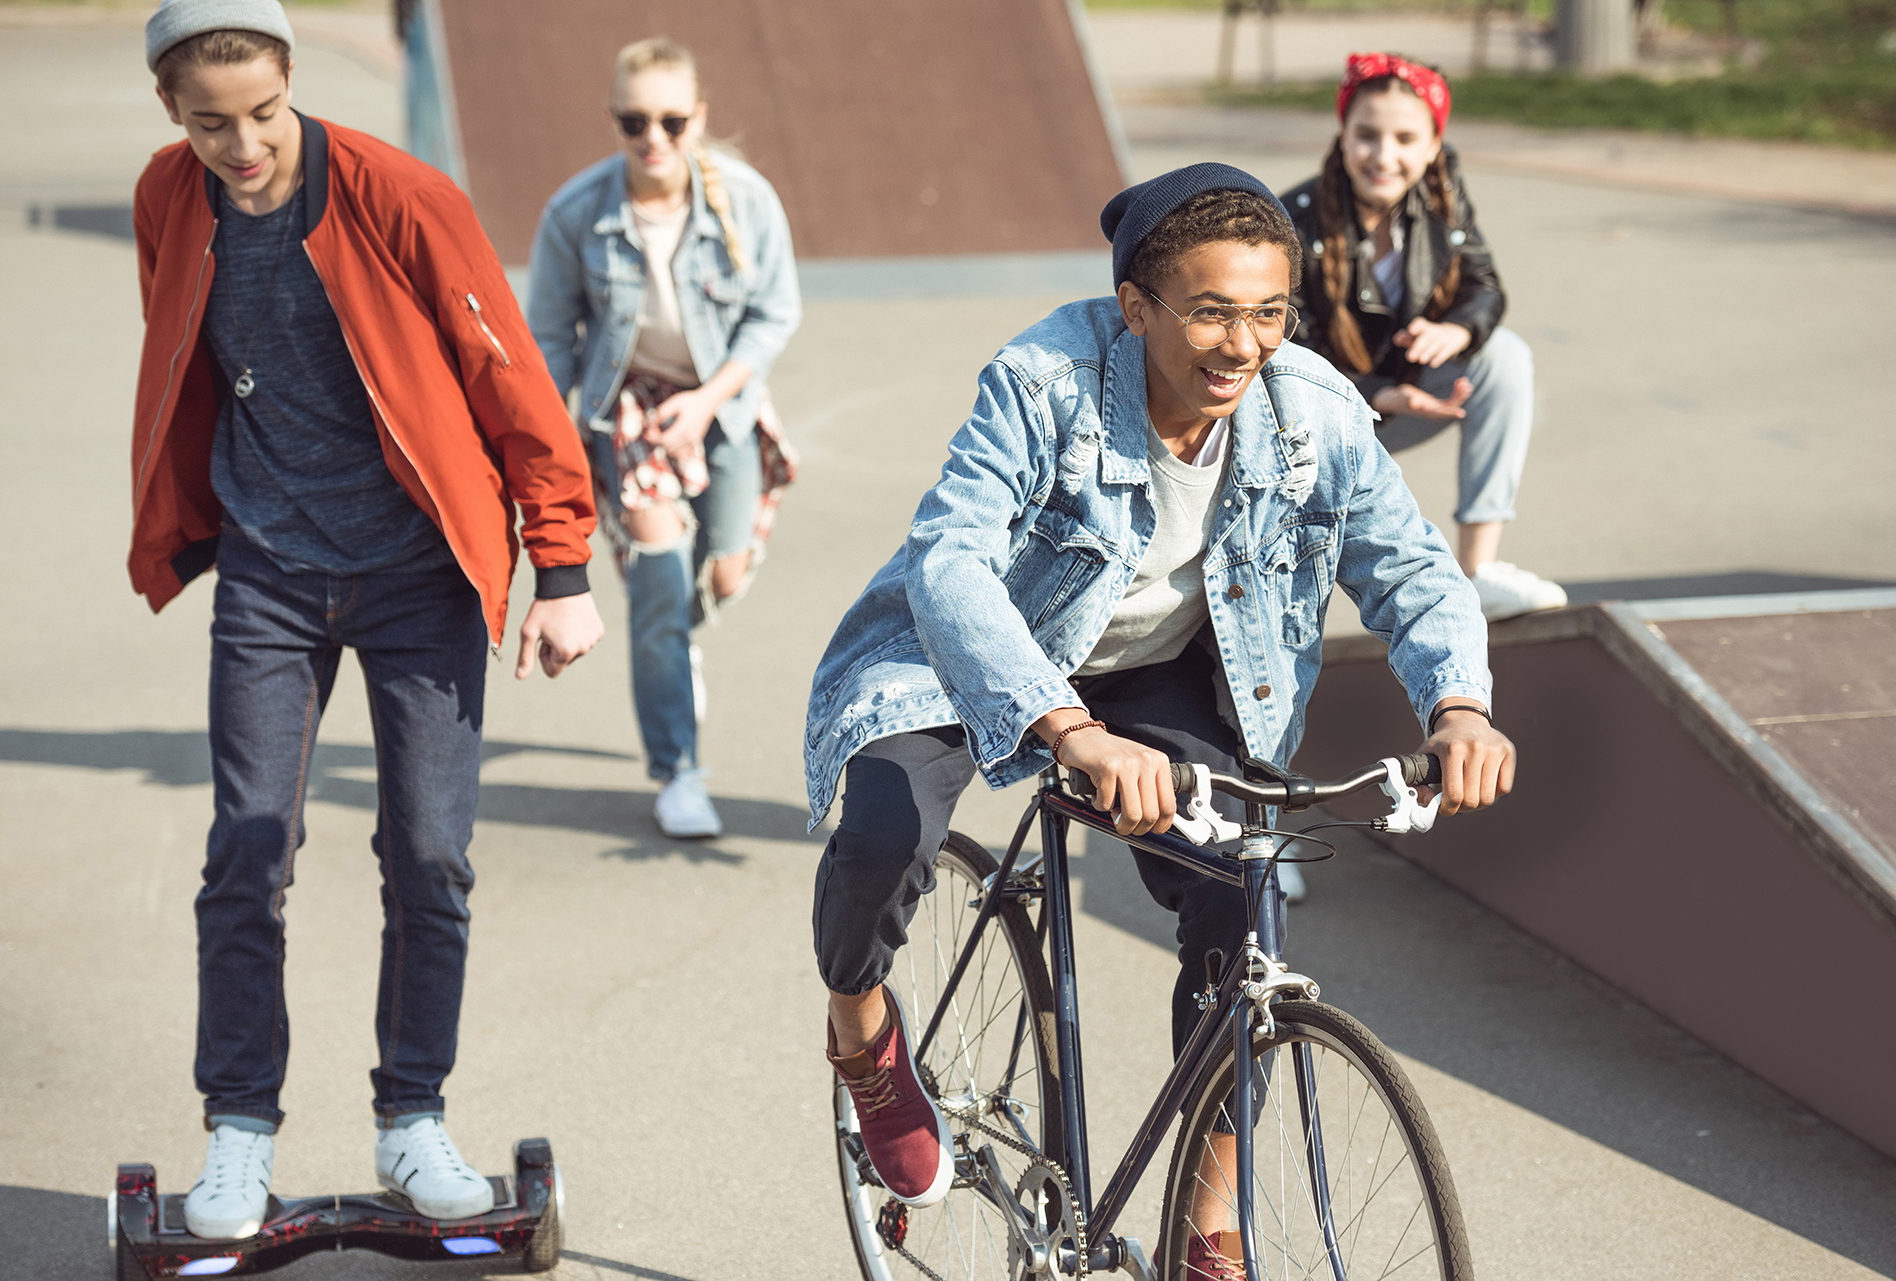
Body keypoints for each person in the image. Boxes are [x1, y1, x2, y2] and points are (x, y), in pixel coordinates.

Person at [802, 163, 1515, 1269]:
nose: (1244, 343)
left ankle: (1207, 1219)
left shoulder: (1312, 410)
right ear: (1137, 307)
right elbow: (951, 561)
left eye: (1270, 312)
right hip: (967, 652)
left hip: (1149, 670)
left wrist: (1459, 705)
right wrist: (1066, 729)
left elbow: (1413, 569)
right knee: (888, 829)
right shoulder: (1045, 380)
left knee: (1243, 901)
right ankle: (860, 1034)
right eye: (1213, 311)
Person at [131, 0, 604, 1240]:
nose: (244, 148)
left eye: (265, 115)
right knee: (248, 843)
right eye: (211, 125)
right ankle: (238, 1131)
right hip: (271, 569)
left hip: (418, 572)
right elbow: (186, 350)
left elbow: (510, 374)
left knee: (431, 854)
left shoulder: (402, 197)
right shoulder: (168, 198)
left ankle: (413, 1118)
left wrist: (560, 569)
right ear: (173, 117)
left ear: (294, 83)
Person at [527, 37, 801, 839]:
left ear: (698, 119)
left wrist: (712, 398)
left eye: (672, 121)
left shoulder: (744, 199)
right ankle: (678, 769)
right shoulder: (577, 213)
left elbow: (774, 311)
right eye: (634, 120)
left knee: (719, 572)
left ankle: (678, 641)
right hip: (631, 411)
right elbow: (547, 337)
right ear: (613, 119)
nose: (654, 138)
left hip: (725, 403)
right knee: (655, 577)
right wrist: (541, 448)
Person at [1281, 53, 1566, 621]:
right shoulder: (1298, 216)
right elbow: (1287, 345)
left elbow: (1484, 287)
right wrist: (1373, 393)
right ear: (1343, 134)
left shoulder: (1442, 199)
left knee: (1505, 354)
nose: (1384, 156)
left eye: (1405, 138)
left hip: (1411, 393)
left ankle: (1479, 571)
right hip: (1319, 416)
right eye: (1366, 135)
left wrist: (1455, 329)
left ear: (1433, 144)